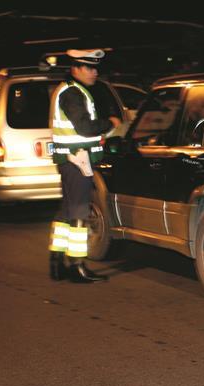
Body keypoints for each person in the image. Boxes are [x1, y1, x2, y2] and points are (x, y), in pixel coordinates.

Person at [48, 49, 122, 283]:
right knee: (79, 212)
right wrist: (109, 124)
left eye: (95, 67)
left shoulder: (68, 90)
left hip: (70, 160)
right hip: (77, 160)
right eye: (89, 67)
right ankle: (77, 265)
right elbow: (84, 128)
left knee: (66, 212)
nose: (94, 72)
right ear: (76, 68)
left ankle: (57, 262)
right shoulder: (72, 93)